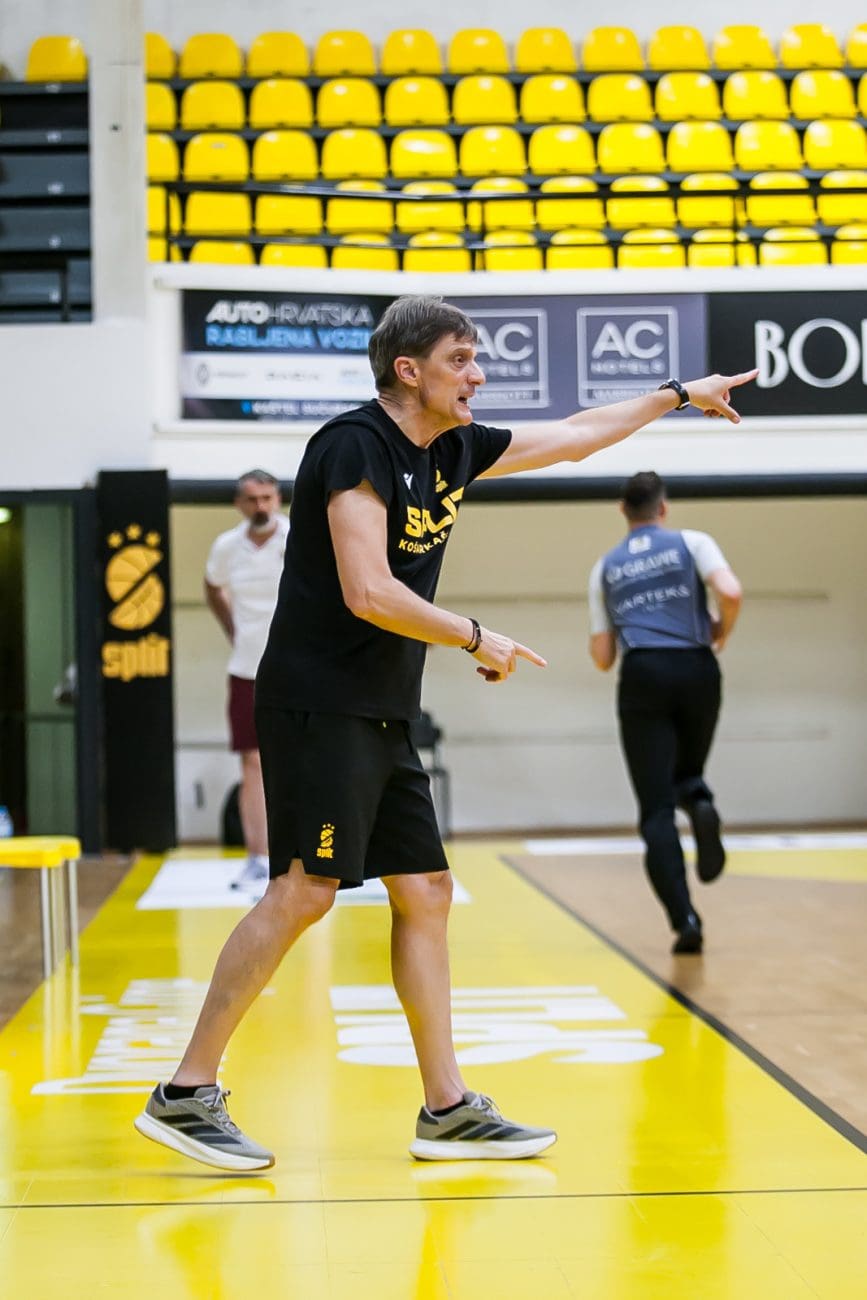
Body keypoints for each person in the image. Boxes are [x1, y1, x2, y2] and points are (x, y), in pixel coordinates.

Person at [135, 296, 755, 1172]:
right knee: (306, 889)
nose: (478, 375)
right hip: (320, 702)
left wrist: (678, 395)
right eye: (461, 359)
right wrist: (474, 636)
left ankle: (448, 1107)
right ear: (409, 369)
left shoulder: (453, 449)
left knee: (425, 890)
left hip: (382, 705)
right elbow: (367, 590)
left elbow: (575, 435)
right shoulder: (354, 445)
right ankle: (186, 1091)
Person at [587, 471, 743, 955]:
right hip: (697, 668)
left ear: (623, 510)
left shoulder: (605, 567)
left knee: (655, 809)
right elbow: (730, 591)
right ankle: (699, 801)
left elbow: (602, 656)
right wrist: (721, 631)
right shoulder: (693, 542)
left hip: (643, 673)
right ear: (663, 507)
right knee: (687, 773)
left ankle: (685, 920)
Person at [204, 469, 289, 897]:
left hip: (296, 670)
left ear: (278, 500)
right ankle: (258, 856)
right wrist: (232, 629)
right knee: (252, 763)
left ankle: (305, 854)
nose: (261, 506)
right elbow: (212, 587)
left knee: (304, 761)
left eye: (267, 498)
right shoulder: (226, 547)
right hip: (247, 670)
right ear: (240, 504)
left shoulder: (298, 539)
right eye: (253, 499)